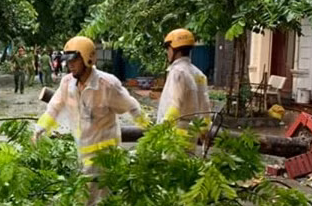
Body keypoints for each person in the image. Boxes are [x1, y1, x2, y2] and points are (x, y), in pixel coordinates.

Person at [32, 35, 149, 171]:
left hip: (105, 159)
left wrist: (148, 129)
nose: (70, 65)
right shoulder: (67, 83)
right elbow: (53, 108)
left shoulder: (107, 85)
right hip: (82, 154)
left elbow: (132, 106)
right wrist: (39, 129)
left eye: (74, 60)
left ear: (88, 58)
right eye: (68, 61)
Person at [157, 29, 211, 124]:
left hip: (175, 130)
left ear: (175, 50)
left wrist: (163, 127)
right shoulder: (199, 74)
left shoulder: (178, 72)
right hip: (193, 130)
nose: (167, 53)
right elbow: (205, 106)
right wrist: (205, 128)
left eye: (168, 49)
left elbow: (174, 104)